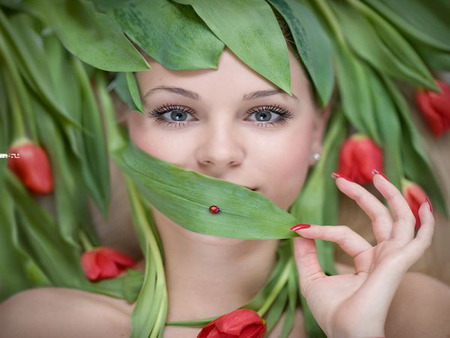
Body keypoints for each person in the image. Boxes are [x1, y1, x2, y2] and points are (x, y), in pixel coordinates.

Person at [1, 1, 450, 337]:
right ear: (126, 119)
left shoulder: (410, 313)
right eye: (176, 113)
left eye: (265, 114)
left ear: (318, 130)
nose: (218, 153)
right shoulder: (44, 323)